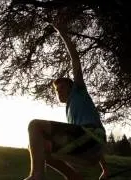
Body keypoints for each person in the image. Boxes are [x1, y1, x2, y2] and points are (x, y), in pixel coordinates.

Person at [23, 24, 109, 180]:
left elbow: (75, 59)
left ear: (72, 87)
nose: (59, 92)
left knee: (34, 125)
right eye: (56, 91)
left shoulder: (79, 91)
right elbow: (90, 139)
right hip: (88, 148)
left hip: (93, 139)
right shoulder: (71, 113)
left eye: (62, 88)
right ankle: (74, 177)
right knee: (38, 148)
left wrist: (62, 33)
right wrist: (105, 170)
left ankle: (37, 175)